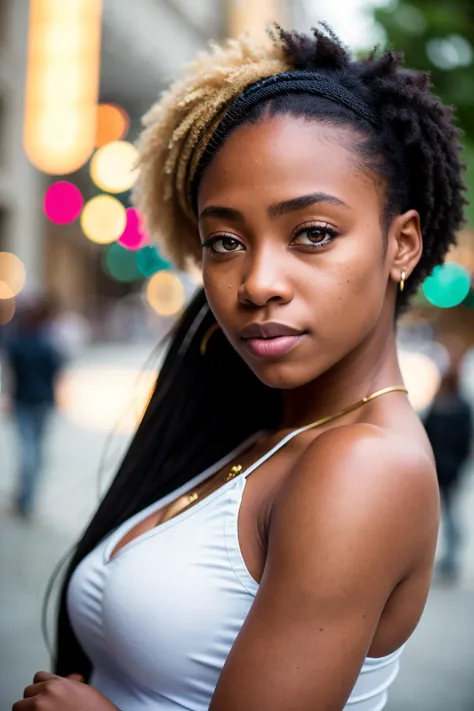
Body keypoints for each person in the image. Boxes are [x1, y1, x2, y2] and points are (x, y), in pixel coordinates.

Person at [13, 25, 465, 711]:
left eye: (312, 233)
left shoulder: (365, 466)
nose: (257, 282)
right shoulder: (264, 428)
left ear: (401, 243)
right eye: (225, 241)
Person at [5, 296, 63, 518]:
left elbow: (12, 376)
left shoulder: (17, 345)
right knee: (36, 450)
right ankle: (28, 497)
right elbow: (56, 373)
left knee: (27, 450)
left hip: (24, 402)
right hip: (42, 402)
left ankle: (26, 497)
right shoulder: (47, 345)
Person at [424, 354, 472, 581]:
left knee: (450, 516)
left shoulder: (460, 408)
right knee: (437, 516)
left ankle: (451, 557)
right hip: (438, 468)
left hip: (448, 470)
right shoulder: (441, 404)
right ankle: (442, 557)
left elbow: (464, 441)